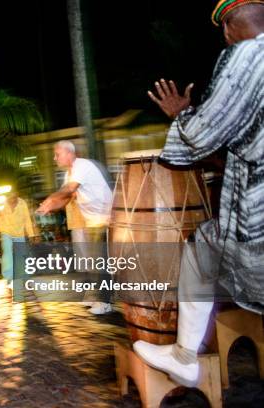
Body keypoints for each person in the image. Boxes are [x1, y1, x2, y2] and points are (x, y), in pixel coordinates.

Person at [133, 0, 264, 387]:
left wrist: (181, 116)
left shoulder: (249, 55)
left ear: (230, 25)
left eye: (225, 28)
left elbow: (203, 132)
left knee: (202, 247)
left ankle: (185, 356)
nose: (225, 37)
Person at [36, 140, 113, 315]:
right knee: (93, 262)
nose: (55, 158)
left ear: (70, 153)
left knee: (99, 262)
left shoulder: (82, 166)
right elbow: (66, 198)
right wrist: (51, 206)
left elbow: (69, 189)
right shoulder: (69, 173)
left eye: (58, 154)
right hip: (92, 221)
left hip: (105, 218)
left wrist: (50, 199)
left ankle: (105, 302)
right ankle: (96, 297)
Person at [0, 190, 37, 295]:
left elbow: (27, 220)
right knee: (8, 253)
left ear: (17, 196)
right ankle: (9, 278)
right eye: (10, 198)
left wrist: (31, 235)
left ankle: (24, 278)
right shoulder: (1, 204)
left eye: (14, 197)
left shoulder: (22, 204)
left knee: (21, 256)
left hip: (19, 233)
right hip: (6, 231)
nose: (12, 200)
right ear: (7, 198)